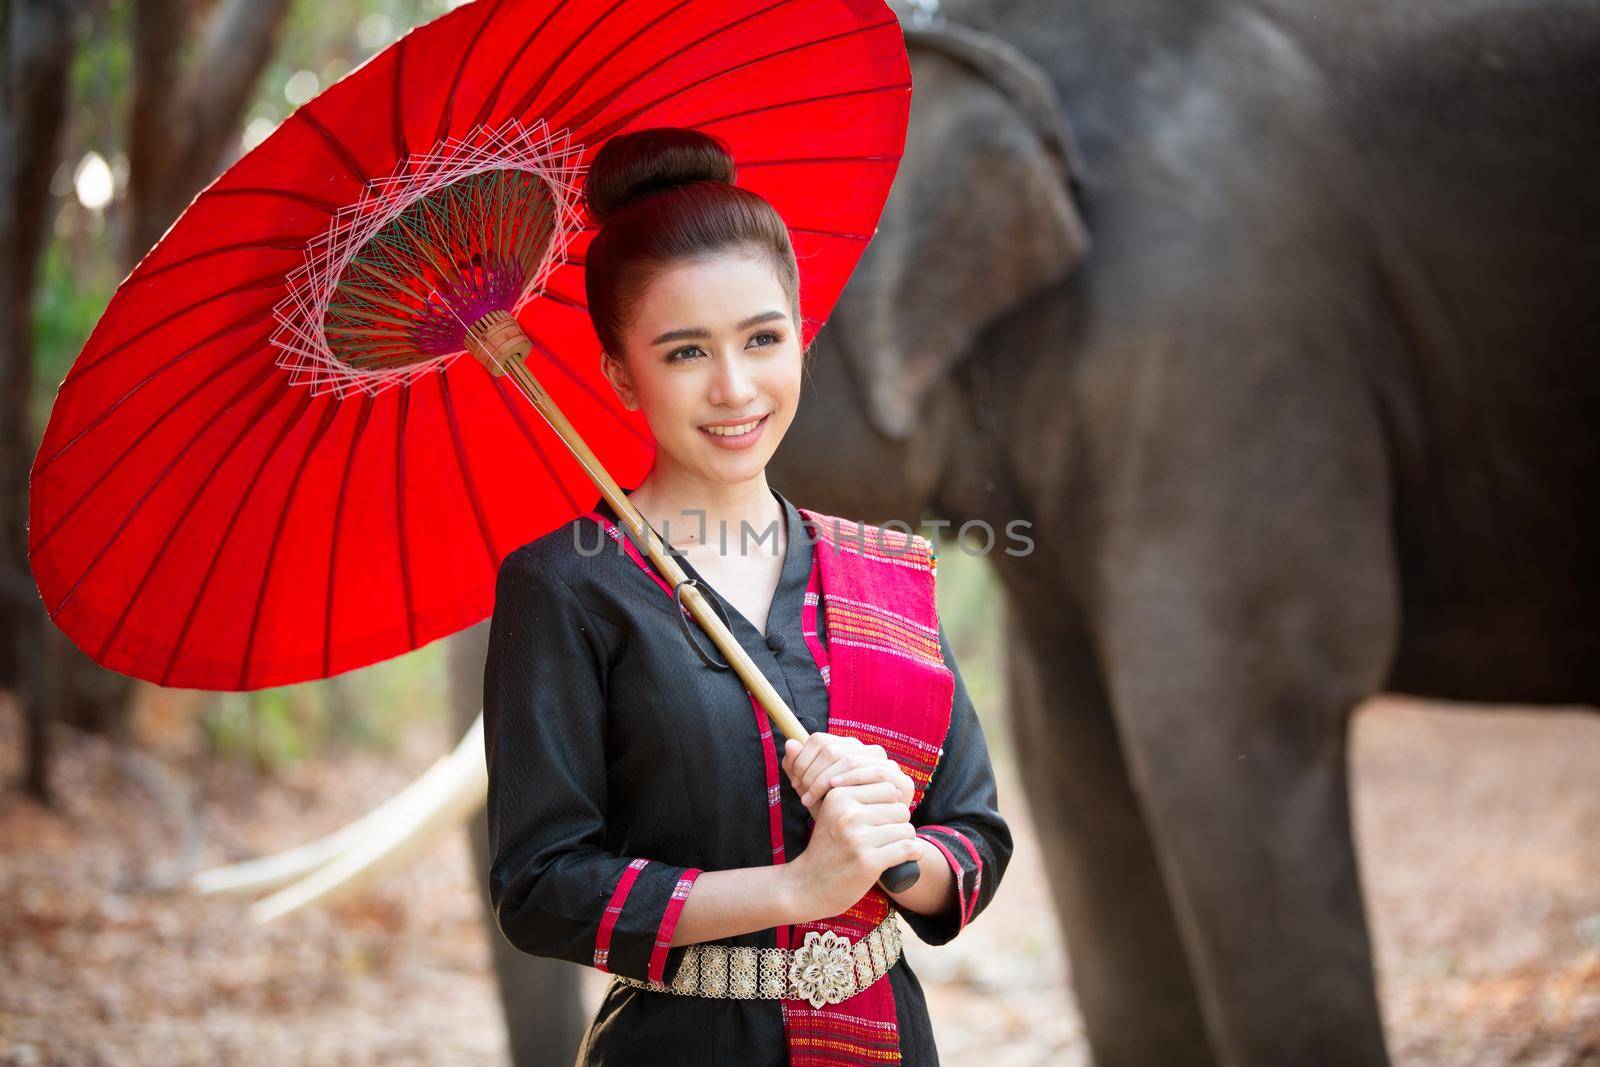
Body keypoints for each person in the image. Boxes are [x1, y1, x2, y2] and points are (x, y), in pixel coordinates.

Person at [483, 128, 1012, 1065]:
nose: (735, 388)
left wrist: (895, 847)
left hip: (888, 1041)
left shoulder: (884, 569)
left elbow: (971, 835)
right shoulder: (565, 584)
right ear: (620, 373)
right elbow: (540, 886)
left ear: (800, 336)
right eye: (685, 352)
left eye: (763, 338)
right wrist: (796, 890)